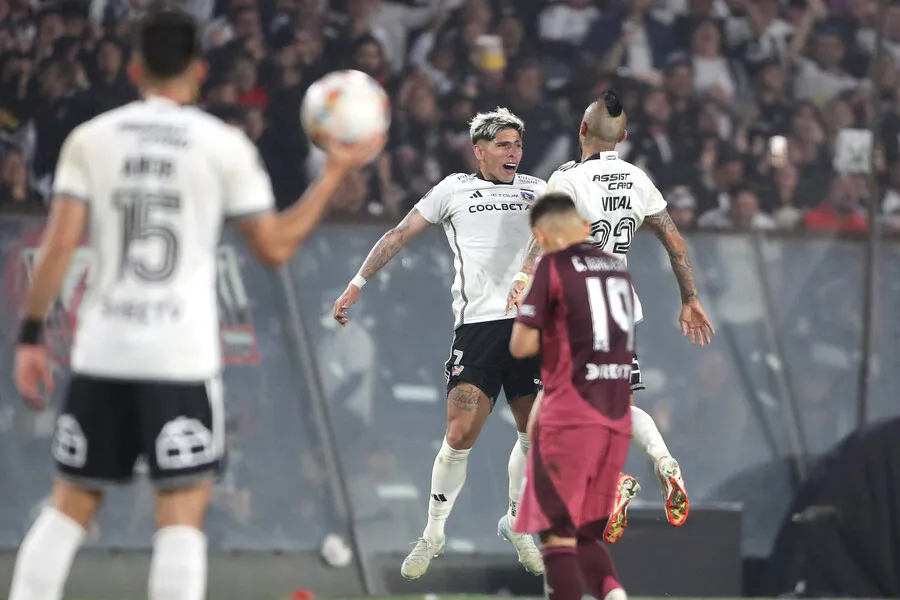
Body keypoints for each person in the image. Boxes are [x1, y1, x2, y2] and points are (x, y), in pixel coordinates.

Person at [9, 8, 385, 600]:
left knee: (68, 509)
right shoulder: (223, 145)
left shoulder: (92, 139)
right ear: (200, 72)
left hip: (103, 350)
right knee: (180, 523)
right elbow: (274, 248)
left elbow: (58, 247)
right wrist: (336, 171)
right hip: (179, 358)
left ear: (135, 68)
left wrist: (30, 336)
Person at [332, 107, 546, 580]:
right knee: (459, 434)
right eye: (504, 144)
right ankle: (433, 534)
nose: (514, 152)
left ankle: (516, 522)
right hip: (478, 329)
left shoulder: (539, 189)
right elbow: (400, 232)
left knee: (535, 433)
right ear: (480, 150)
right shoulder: (454, 189)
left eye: (518, 144)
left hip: (531, 326)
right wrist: (356, 284)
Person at [509, 89, 715, 543]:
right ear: (622, 136)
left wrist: (524, 278)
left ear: (581, 130)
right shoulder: (638, 180)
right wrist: (690, 298)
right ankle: (663, 460)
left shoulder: (569, 181)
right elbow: (673, 241)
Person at [509, 192, 634, 600]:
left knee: (558, 536)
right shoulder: (616, 269)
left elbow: (521, 345)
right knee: (585, 534)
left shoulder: (552, 265)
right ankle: (615, 595)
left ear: (542, 235)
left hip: (570, 418)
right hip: (615, 417)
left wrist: (530, 302)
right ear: (582, 226)